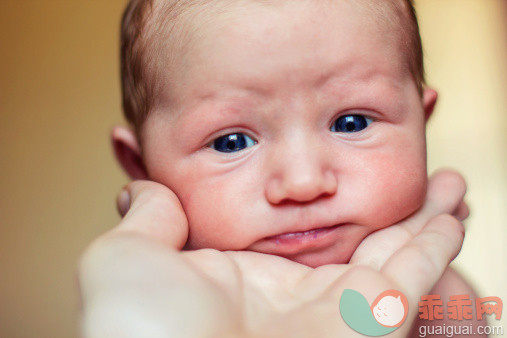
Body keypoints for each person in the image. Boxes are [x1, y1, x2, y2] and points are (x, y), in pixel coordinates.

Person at [79, 0, 486, 336]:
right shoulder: (161, 308)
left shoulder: (442, 306)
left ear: (423, 123)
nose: (304, 182)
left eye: (352, 122)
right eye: (231, 142)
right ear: (141, 166)